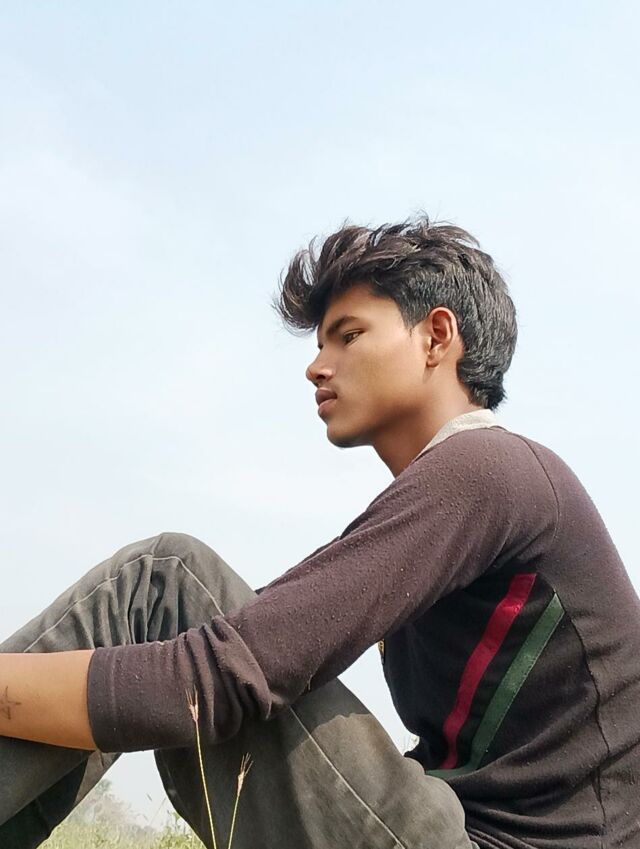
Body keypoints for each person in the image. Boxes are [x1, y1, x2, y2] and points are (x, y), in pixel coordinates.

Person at [1, 217, 638, 849]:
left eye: (348, 335)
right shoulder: (452, 494)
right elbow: (250, 646)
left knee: (161, 584)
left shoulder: (488, 471)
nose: (316, 367)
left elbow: (213, 677)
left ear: (436, 337)